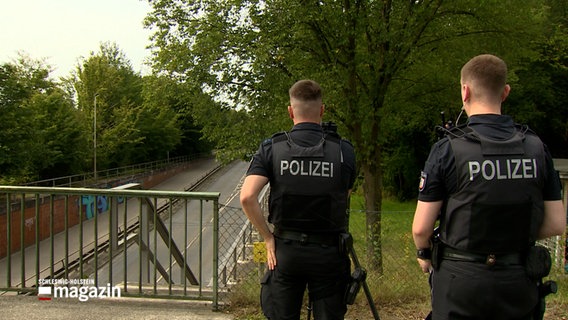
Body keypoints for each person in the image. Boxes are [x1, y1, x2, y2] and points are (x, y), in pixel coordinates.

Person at [412, 54, 566, 320]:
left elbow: (421, 228)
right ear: (505, 92)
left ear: (465, 91)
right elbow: (555, 224)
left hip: (460, 283)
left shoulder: (447, 149)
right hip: (518, 281)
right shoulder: (536, 148)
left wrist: (424, 255)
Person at [240, 79, 356, 320]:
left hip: (285, 252)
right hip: (328, 252)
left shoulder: (272, 148)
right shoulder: (343, 150)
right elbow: (343, 195)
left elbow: (248, 197)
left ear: (290, 111)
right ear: (322, 110)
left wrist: (267, 238)